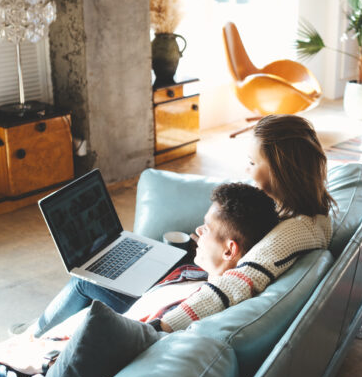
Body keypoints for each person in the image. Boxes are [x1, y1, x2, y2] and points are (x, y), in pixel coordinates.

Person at [0, 183, 279, 377]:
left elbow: (106, 349)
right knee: (84, 280)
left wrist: (40, 356)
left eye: (207, 229)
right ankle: (31, 333)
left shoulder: (186, 312)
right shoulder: (209, 281)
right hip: (52, 360)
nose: (198, 231)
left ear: (231, 249)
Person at [22, 114, 335, 337]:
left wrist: (161, 327)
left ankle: (34, 337)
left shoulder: (296, 231)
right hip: (189, 277)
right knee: (106, 267)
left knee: (85, 282)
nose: (245, 169)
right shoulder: (301, 212)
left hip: (176, 300)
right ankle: (45, 330)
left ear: (281, 170)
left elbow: (237, 282)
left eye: (253, 163)